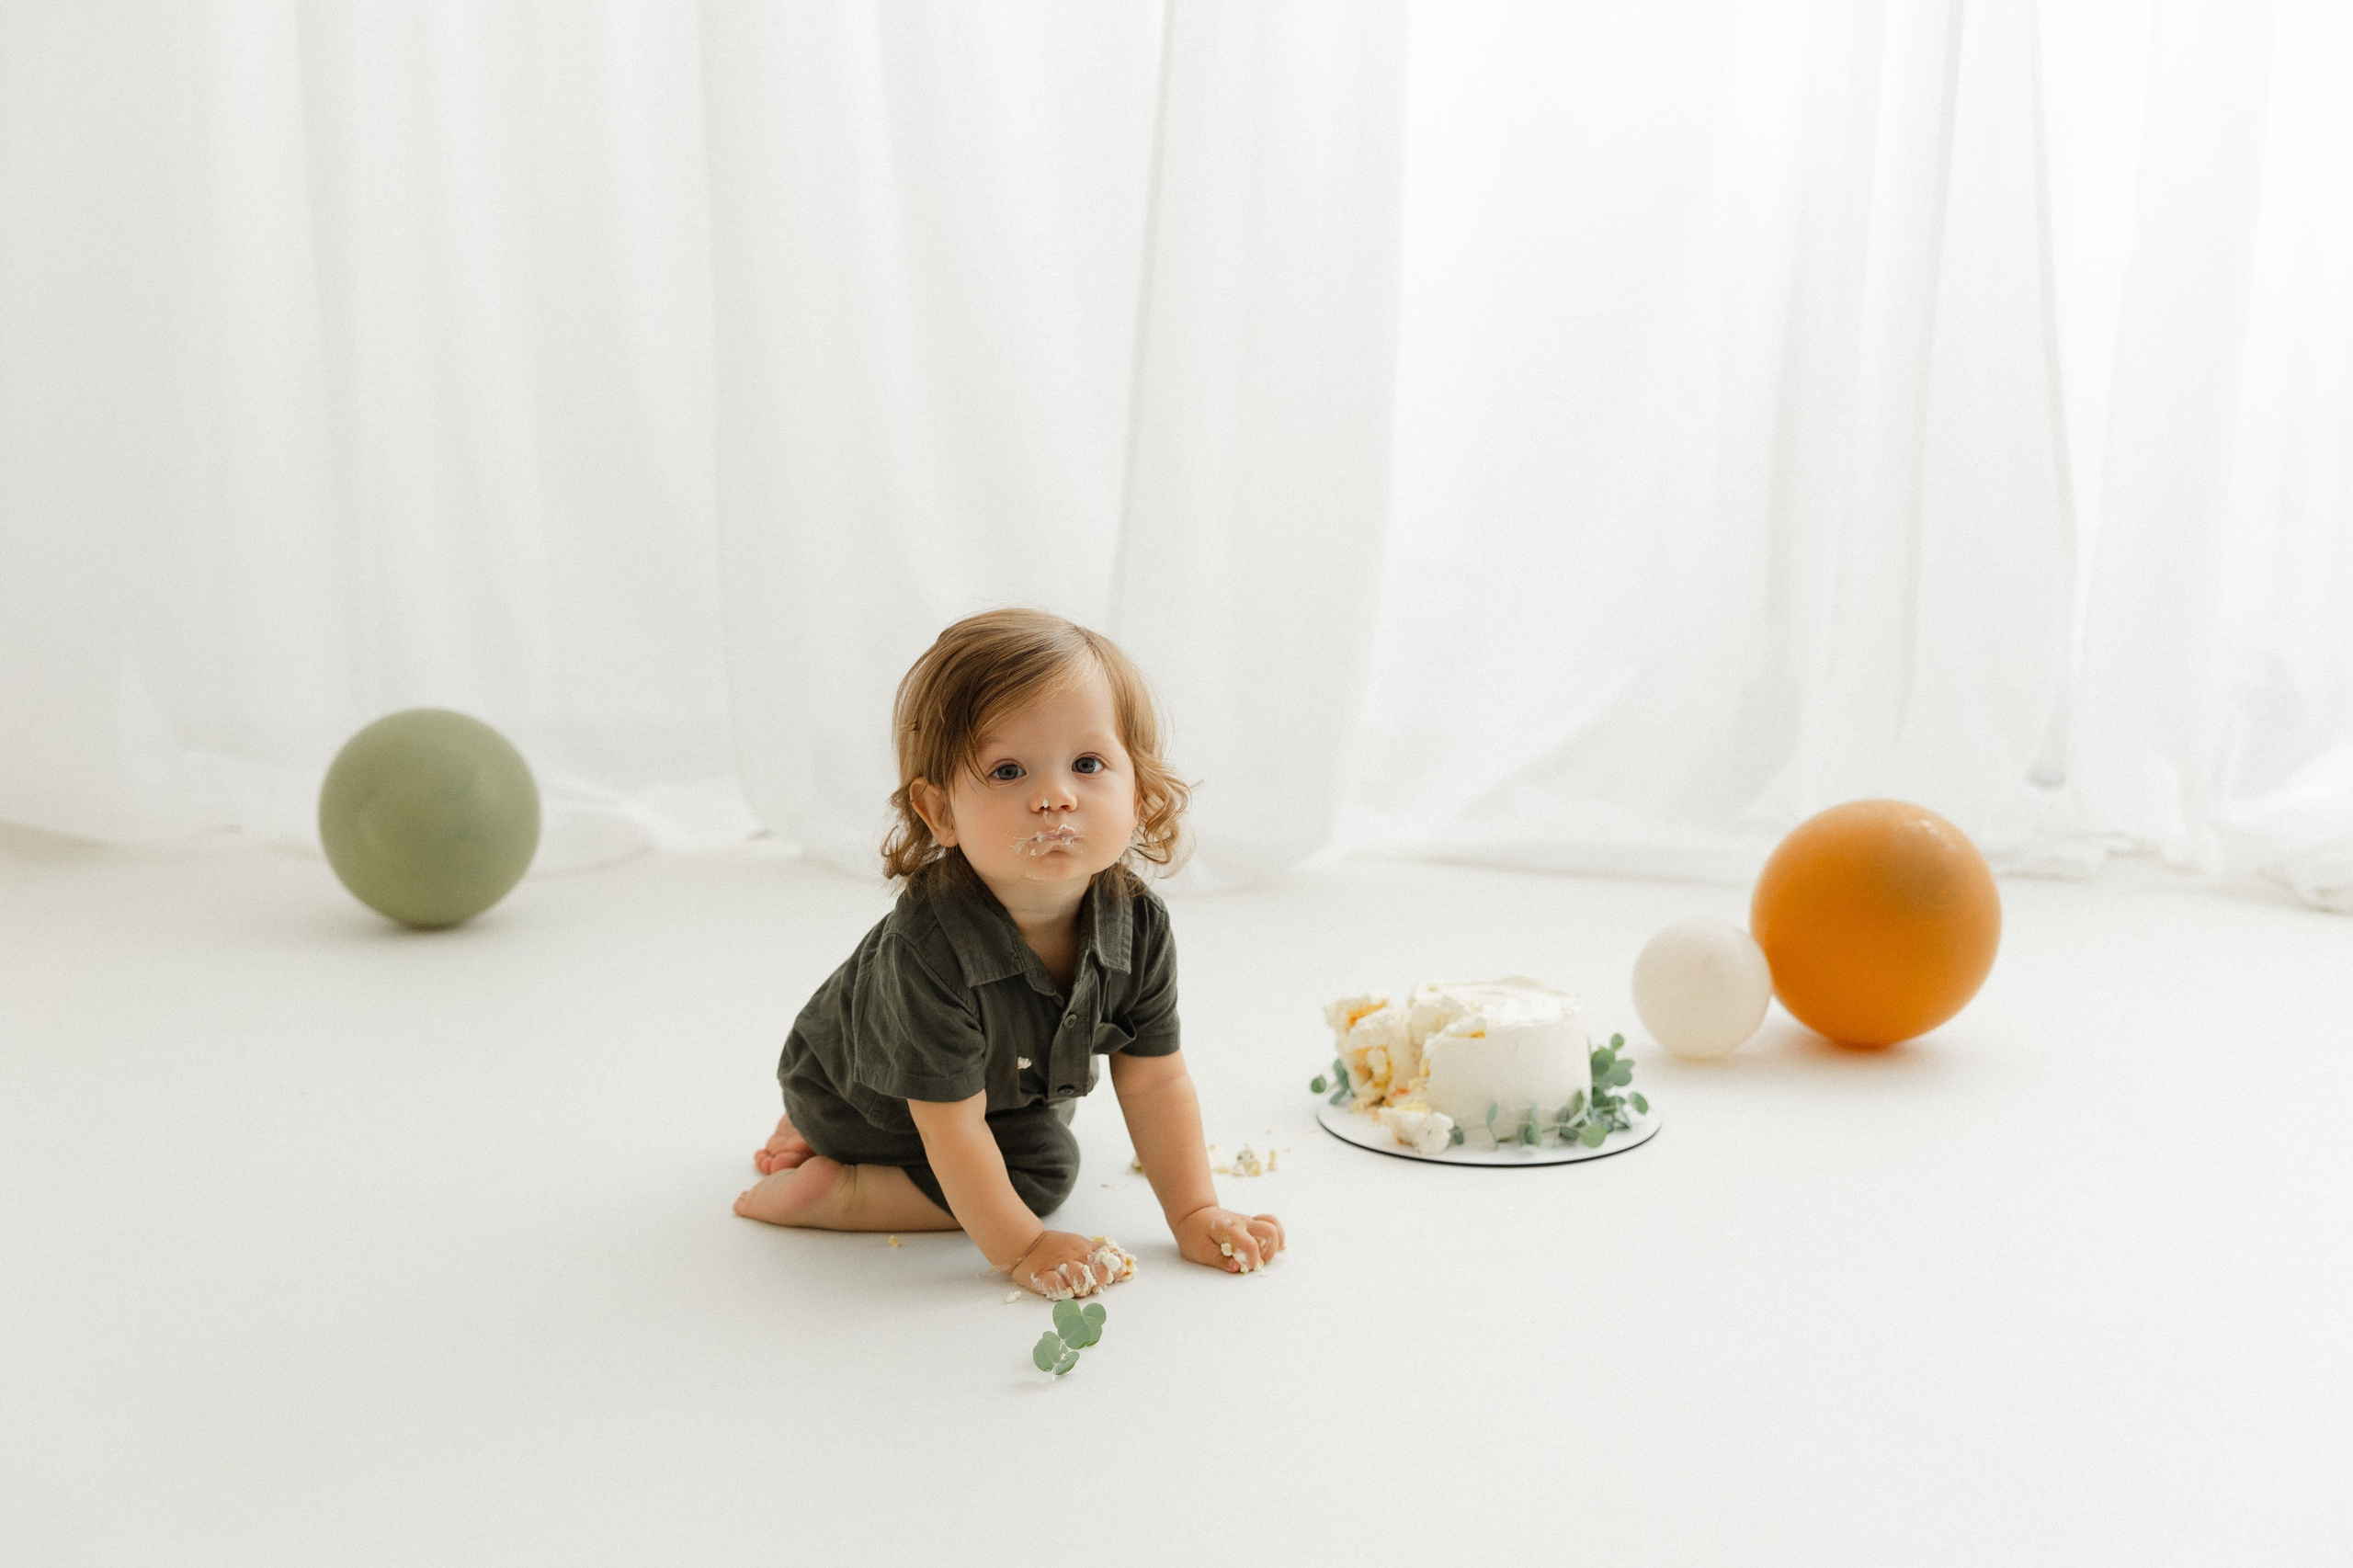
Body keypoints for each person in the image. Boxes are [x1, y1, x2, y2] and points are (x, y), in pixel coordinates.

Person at [733, 608, 1286, 1297]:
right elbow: (955, 1130)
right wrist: (1024, 1246)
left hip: (988, 1086)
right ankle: (842, 1189)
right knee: (1045, 1170)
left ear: (1138, 793)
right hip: (866, 1102)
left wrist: (1196, 1212)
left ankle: (824, 1141)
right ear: (940, 814)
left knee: (1049, 1113)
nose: (1054, 797)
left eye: (1088, 764)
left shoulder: (1137, 924)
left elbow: (1155, 1080)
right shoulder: (932, 950)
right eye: (1007, 772)